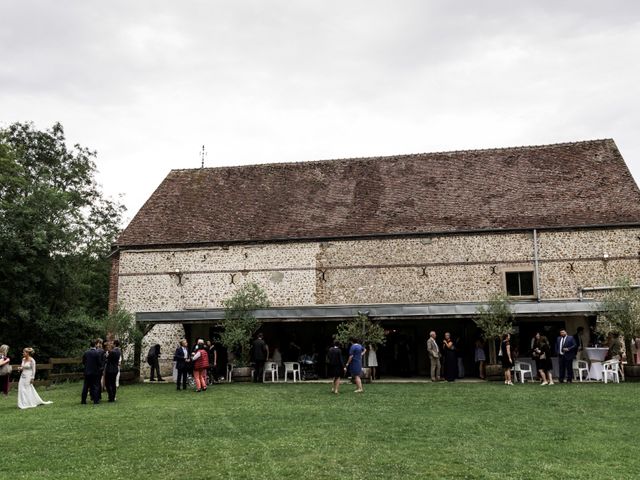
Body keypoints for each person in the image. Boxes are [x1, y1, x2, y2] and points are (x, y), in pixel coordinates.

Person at [82, 339, 104, 404]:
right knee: (96, 386)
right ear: (95, 345)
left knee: (85, 386)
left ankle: (83, 400)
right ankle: (96, 400)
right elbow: (99, 363)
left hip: (87, 372)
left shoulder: (86, 353)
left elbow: (83, 362)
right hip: (95, 372)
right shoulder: (97, 353)